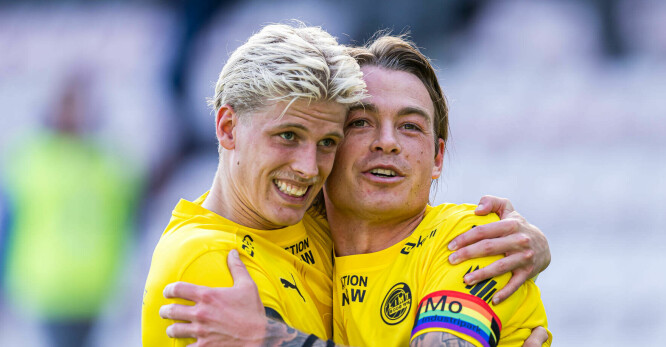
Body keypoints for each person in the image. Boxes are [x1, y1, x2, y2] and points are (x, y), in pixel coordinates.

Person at [159, 35, 552, 346]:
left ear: (437, 157)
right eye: (362, 123)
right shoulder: (222, 256)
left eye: (411, 126)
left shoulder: (475, 240)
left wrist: (268, 338)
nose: (387, 142)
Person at [141, 22, 367, 346]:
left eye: (327, 142)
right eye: (288, 136)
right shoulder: (206, 262)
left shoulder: (316, 220)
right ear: (228, 128)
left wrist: (459, 232)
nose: (308, 168)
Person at [1, 71, 141, 347]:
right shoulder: (32, 159)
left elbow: (127, 225)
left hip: (95, 290)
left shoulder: (111, 163)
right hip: (47, 289)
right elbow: (9, 225)